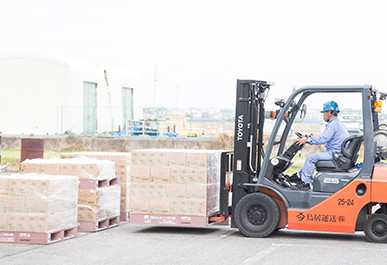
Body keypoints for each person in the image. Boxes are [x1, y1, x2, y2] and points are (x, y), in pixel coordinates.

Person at [287, 100, 349, 190]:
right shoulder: (337, 123)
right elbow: (326, 138)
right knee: (312, 157)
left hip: (334, 153)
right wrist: (309, 138)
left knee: (310, 158)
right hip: (335, 152)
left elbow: (323, 139)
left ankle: (306, 183)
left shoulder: (332, 124)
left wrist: (307, 140)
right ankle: (299, 176)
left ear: (329, 112)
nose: (323, 115)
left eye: (324, 113)